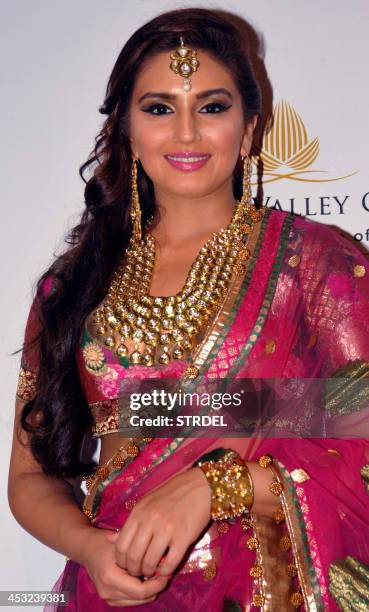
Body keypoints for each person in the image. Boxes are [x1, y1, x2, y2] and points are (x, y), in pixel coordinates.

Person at [8, 7, 369, 611]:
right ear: (127, 128)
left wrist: (215, 484)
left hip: (263, 590)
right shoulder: (73, 287)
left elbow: (360, 435)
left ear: (250, 129)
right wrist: (92, 552)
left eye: (212, 107)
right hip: (112, 589)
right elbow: (31, 477)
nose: (185, 133)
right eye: (158, 108)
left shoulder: (314, 266)